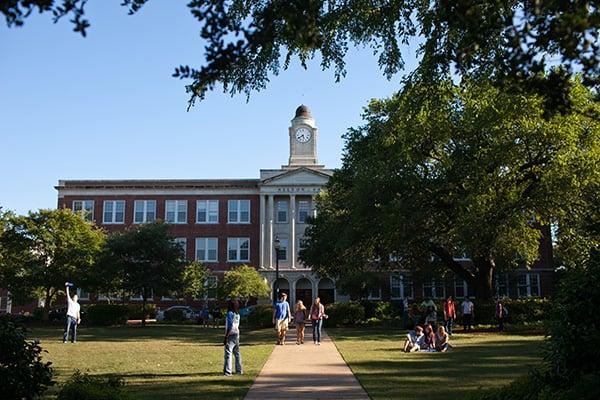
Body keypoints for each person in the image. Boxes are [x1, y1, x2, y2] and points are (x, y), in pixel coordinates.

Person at [223, 300, 242, 376]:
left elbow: (230, 326)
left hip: (230, 335)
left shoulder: (230, 314)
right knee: (237, 353)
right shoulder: (237, 314)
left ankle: (228, 372)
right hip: (236, 333)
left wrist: (226, 336)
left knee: (228, 353)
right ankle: (239, 370)